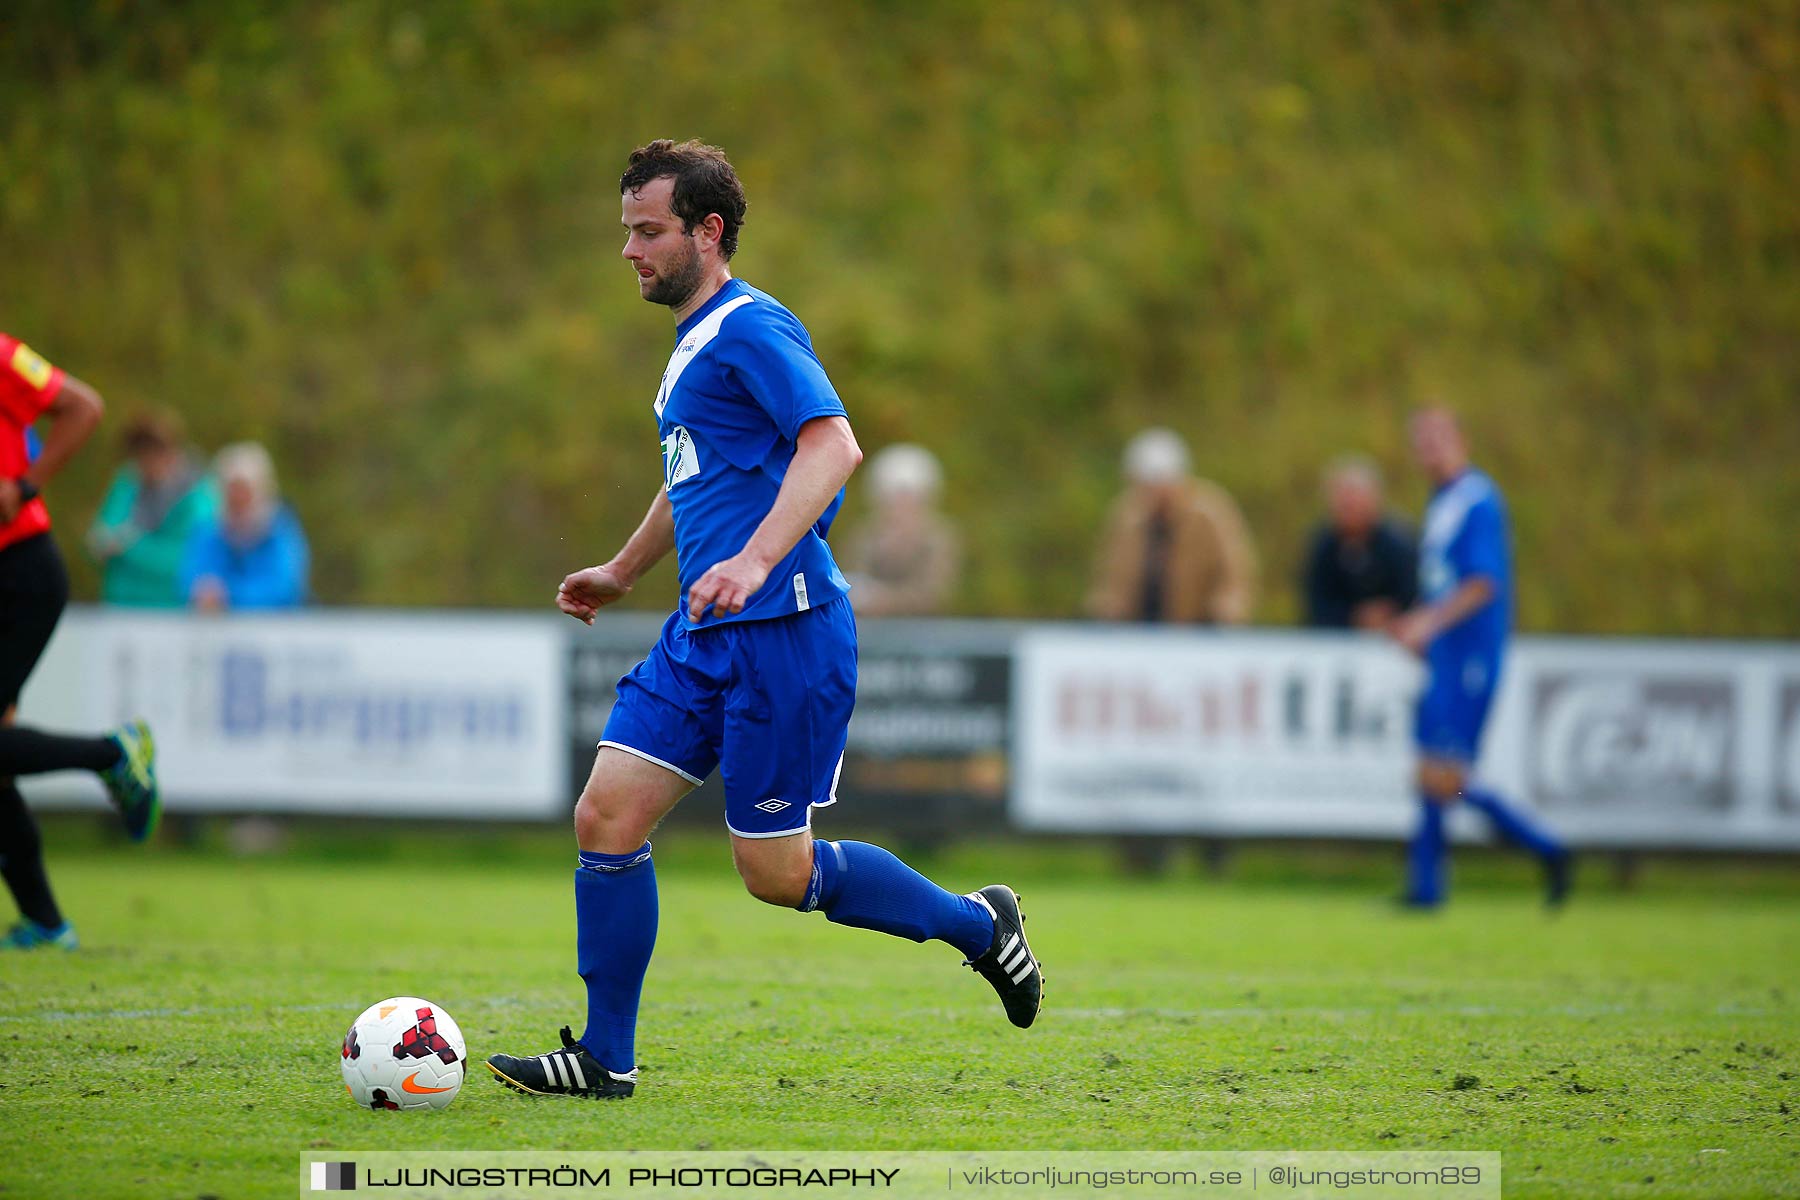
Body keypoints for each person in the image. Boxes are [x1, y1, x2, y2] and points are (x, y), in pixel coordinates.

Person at [484, 140, 1040, 1101]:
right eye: (626, 232)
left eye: (649, 231)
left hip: (783, 632)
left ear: (709, 231)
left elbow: (835, 444)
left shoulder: (750, 327)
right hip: (703, 634)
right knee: (605, 816)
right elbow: (693, 477)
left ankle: (979, 926)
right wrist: (624, 568)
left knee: (775, 876)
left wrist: (752, 559)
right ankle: (605, 1058)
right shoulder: (693, 345)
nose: (630, 251)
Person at [0, 332, 160, 951]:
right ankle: (44, 921)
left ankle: (113, 753)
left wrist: (24, 485)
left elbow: (83, 406)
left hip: (19, 571)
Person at [1391, 408, 1569, 908]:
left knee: (1450, 779)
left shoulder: (1478, 500)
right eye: (1422, 443)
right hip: (1445, 656)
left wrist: (1427, 623)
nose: (1431, 452)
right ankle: (1425, 889)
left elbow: (1482, 584)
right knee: (1429, 769)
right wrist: (1414, 623)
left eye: (1439, 441)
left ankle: (1546, 847)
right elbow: (1445, 584)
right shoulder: (1441, 502)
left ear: (1462, 441)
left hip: (1472, 657)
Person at [1087, 427, 1257, 626]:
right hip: (1136, 634)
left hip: (1196, 634)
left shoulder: (1210, 514)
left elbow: (1235, 577)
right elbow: (1109, 580)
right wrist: (1106, 609)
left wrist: (1225, 613)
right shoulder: (1126, 516)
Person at [86, 408, 221, 607]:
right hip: (120, 605)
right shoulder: (127, 483)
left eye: (154, 451)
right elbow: (98, 543)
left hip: (171, 611)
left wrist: (131, 546)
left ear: (172, 451)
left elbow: (189, 560)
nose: (146, 462)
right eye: (140, 453)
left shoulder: (198, 497)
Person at [181, 441, 309, 610]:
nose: (237, 497)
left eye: (243, 489)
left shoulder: (280, 531)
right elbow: (188, 581)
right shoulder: (209, 531)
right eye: (232, 489)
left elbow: (285, 588)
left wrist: (230, 595)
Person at [1301, 455, 1418, 630]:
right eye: (1342, 499)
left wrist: (1388, 615)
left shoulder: (1399, 543)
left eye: (1354, 498)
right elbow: (1315, 605)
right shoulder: (1323, 547)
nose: (1348, 505)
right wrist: (1354, 616)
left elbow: (1415, 597)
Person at [845, 443, 959, 616]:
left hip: (927, 635)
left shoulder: (939, 538)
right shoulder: (865, 536)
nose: (901, 505)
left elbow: (936, 593)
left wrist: (885, 600)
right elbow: (852, 581)